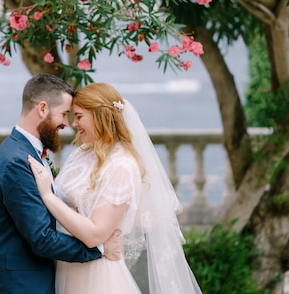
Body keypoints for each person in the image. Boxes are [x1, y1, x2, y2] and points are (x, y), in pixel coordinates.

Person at [28, 82, 203, 294]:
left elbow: (95, 234)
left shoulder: (122, 166)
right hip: (67, 266)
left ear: (100, 116)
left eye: (80, 116)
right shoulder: (82, 153)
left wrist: (47, 196)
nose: (74, 124)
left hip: (97, 276)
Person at [0, 74, 121, 294]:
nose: (67, 123)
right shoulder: (18, 161)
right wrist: (100, 249)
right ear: (43, 109)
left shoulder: (24, 150)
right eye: (64, 114)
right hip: (19, 286)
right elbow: (42, 239)